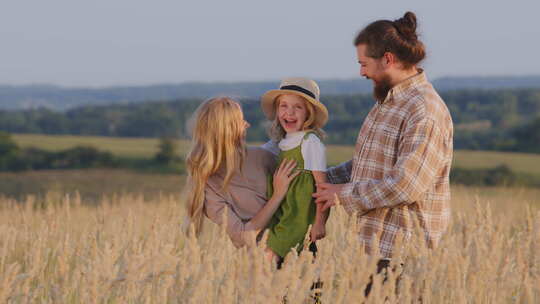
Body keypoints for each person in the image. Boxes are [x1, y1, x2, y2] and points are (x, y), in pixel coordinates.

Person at [313, 11, 454, 291]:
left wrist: (342, 194)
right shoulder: (388, 101)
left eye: (364, 64)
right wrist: (318, 179)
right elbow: (367, 165)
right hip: (374, 251)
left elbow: (406, 184)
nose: (361, 72)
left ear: (387, 59)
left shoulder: (423, 110)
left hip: (401, 255)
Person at [184, 97, 299, 247]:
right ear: (229, 130)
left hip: (293, 250)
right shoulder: (207, 186)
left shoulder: (261, 156)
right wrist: (277, 196)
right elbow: (244, 237)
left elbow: (305, 181)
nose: (247, 124)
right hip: (260, 263)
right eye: (241, 121)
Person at [261, 77, 330, 261]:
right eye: (283, 106)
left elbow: (323, 187)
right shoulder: (280, 143)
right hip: (280, 214)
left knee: (267, 259)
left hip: (297, 219)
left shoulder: (310, 142)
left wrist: (319, 223)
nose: (289, 113)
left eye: (297, 107)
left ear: (309, 113)